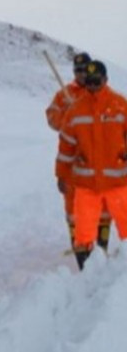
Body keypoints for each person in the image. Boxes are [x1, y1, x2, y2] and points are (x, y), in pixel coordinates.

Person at [56, 60, 127, 269]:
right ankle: (86, 272)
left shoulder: (120, 105)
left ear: (105, 80)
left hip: (118, 183)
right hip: (86, 185)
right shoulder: (75, 110)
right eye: (89, 82)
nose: (93, 86)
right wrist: (61, 175)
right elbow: (66, 147)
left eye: (97, 81)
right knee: (84, 232)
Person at [46, 52, 111, 251]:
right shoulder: (65, 95)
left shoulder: (102, 94)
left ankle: (101, 246)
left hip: (100, 163)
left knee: (103, 208)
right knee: (74, 208)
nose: (81, 74)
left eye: (84, 70)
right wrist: (68, 116)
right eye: (77, 70)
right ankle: (81, 249)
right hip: (74, 163)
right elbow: (51, 116)